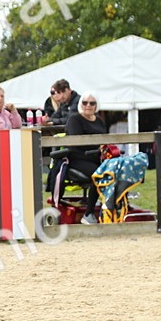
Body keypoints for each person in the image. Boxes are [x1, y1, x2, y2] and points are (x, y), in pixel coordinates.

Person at [64, 94, 108, 225]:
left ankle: (111, 208)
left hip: (97, 158)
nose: (88, 105)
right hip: (77, 158)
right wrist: (97, 147)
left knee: (113, 170)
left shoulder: (99, 120)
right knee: (98, 174)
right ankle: (88, 214)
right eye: (85, 102)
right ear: (80, 104)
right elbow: (78, 143)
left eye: (92, 103)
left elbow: (105, 140)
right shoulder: (74, 119)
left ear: (96, 105)